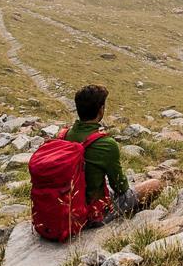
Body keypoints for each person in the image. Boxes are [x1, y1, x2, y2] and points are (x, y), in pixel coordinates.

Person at [68, 83, 163, 218]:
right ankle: (133, 216)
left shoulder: (64, 136)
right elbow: (120, 188)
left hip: (65, 206)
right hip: (91, 214)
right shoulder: (106, 144)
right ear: (101, 110)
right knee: (155, 184)